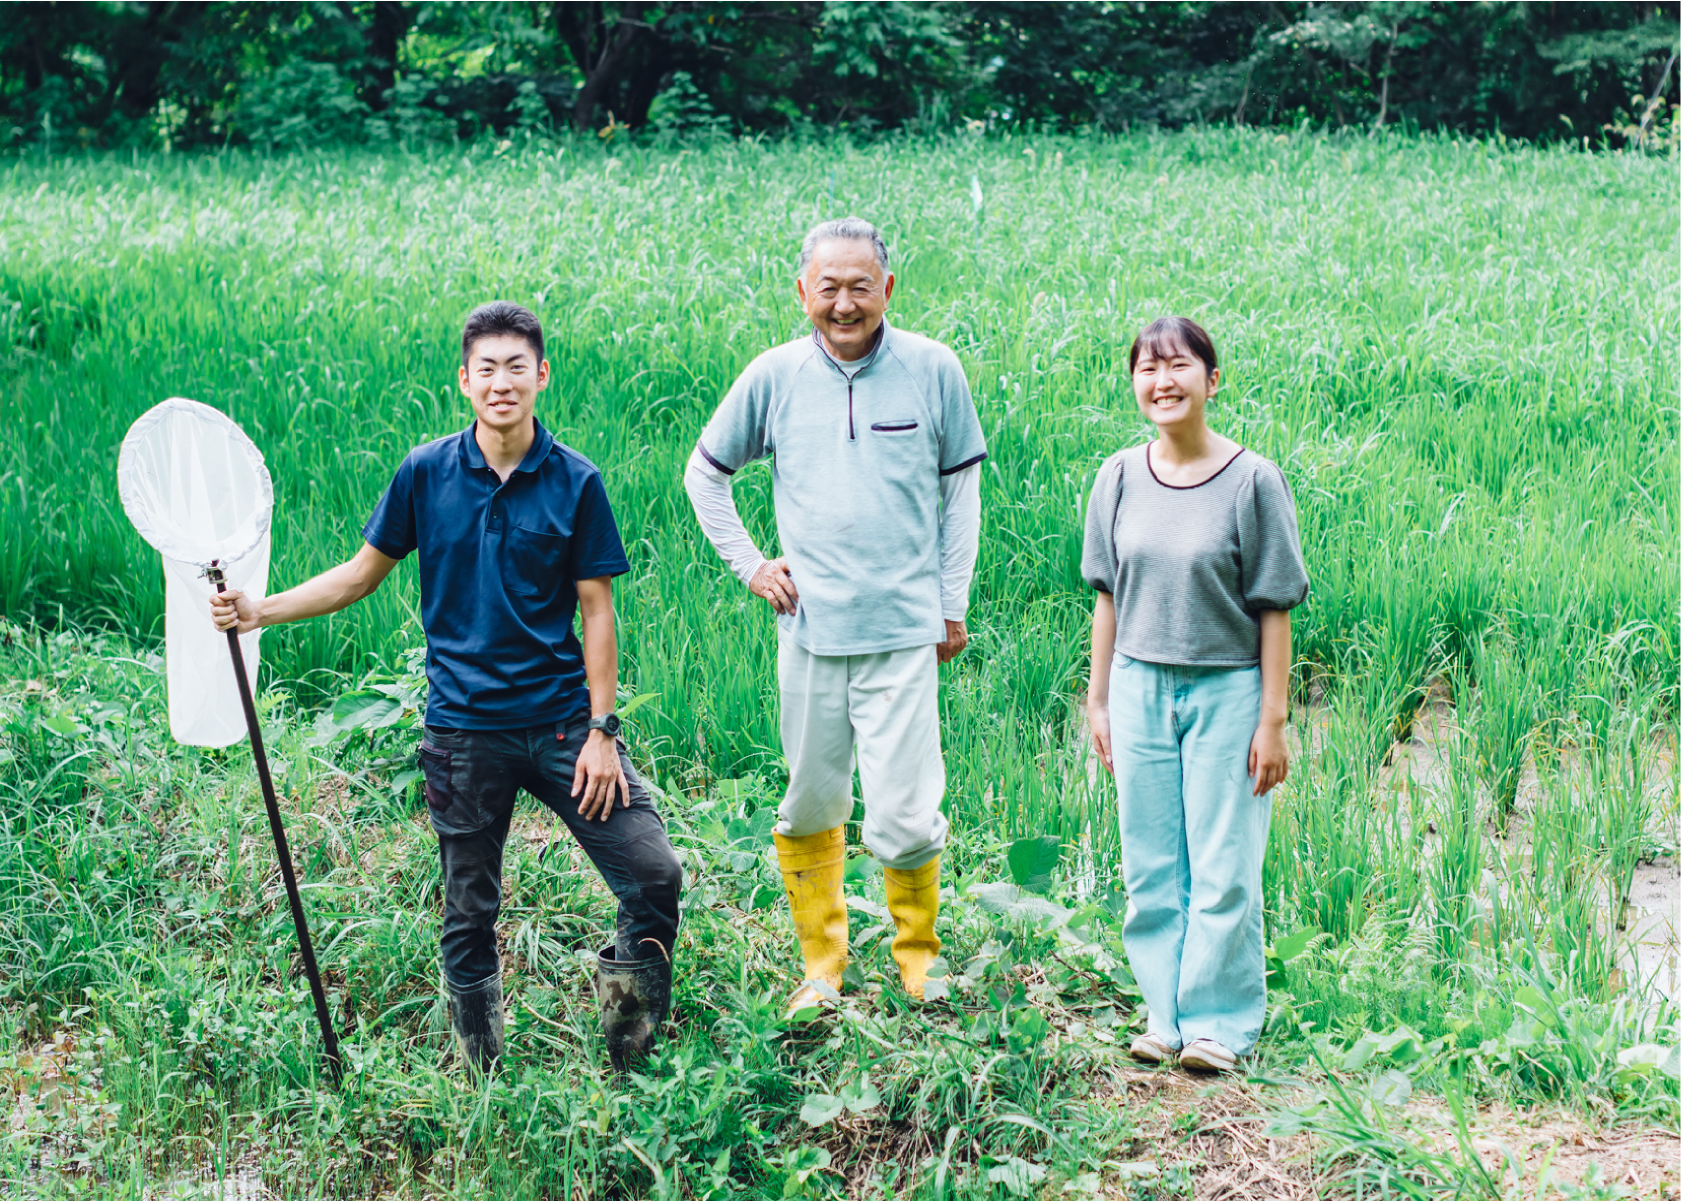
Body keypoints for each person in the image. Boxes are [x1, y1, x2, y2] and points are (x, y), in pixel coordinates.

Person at [209, 301, 682, 1074]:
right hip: (464, 731)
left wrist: (604, 729)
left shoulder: (575, 481)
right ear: (465, 380)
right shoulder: (426, 473)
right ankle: (481, 1072)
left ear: (541, 376)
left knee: (653, 870)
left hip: (564, 725)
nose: (502, 382)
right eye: (486, 368)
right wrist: (259, 611)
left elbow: (597, 612)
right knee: (469, 907)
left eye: (516, 367)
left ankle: (628, 1059)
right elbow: (361, 575)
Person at [684, 217, 986, 1009]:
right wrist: (750, 565)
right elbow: (704, 473)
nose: (844, 303)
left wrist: (950, 604)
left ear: (887, 288)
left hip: (902, 629)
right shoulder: (774, 376)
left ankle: (917, 958)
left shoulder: (932, 368)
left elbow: (961, 496)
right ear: (802, 293)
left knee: (904, 810)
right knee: (811, 798)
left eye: (860, 286)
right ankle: (822, 967)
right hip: (811, 631)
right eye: (829, 288)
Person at [1081, 316, 1308, 1074]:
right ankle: (1162, 1013)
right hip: (1139, 684)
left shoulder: (1253, 480)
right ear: (1134, 384)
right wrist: (1099, 698)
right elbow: (1108, 594)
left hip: (1228, 688)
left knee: (1224, 862)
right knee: (1148, 861)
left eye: (1178, 366)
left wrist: (1271, 718)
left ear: (1212, 381)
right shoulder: (1117, 475)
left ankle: (1220, 1023)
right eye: (1147, 368)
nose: (1162, 381)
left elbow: (1273, 604)